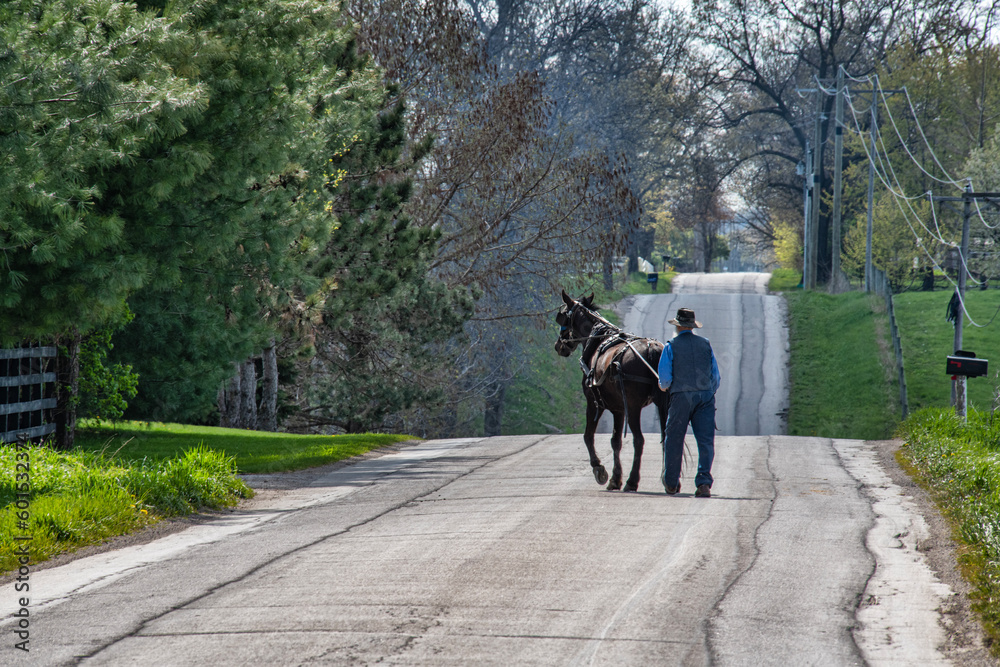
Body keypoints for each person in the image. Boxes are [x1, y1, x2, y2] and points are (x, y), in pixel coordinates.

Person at [657, 307, 721, 498]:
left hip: (681, 398)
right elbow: (716, 377)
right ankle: (703, 483)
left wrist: (664, 387)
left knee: (674, 438)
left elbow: (665, 381)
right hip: (705, 397)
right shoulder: (706, 344)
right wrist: (707, 392)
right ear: (692, 326)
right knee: (705, 441)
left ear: (678, 326)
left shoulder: (670, 346)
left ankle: (671, 482)